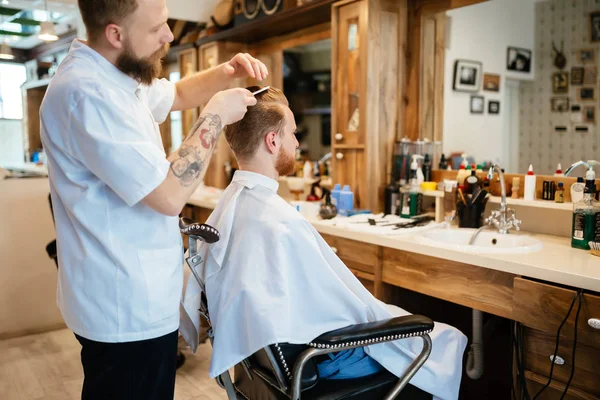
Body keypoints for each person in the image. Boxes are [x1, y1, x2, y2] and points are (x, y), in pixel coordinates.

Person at [39, 0, 269, 398]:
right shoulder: (87, 94)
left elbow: (175, 93)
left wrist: (226, 73)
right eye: (158, 28)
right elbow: (167, 195)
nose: (169, 36)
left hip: (134, 292)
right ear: (116, 34)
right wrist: (214, 116)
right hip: (123, 306)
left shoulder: (113, 72)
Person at [180, 87, 467, 400]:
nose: (297, 142)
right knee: (447, 338)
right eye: (292, 133)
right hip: (320, 358)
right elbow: (344, 308)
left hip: (268, 362)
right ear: (272, 141)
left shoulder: (231, 206)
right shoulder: (278, 221)